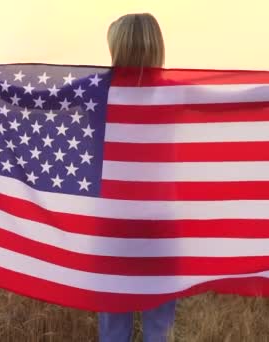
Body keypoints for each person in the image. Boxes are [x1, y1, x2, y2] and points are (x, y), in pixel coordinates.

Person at [98, 13, 177, 342]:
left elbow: (42, 103)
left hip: (113, 226)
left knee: (113, 326)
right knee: (160, 328)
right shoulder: (176, 95)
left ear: (118, 49)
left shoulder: (97, 94)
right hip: (161, 226)